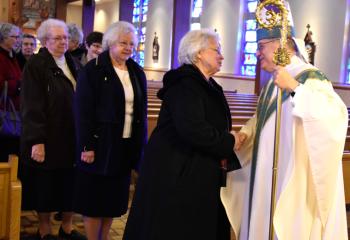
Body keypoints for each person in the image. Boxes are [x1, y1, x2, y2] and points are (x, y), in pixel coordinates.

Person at [221, 4, 349, 240]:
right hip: (265, 174)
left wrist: (295, 89)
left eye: (261, 46)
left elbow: (335, 118)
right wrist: (247, 133)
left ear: (280, 45)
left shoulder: (309, 78)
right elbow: (262, 117)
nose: (257, 53)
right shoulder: (273, 82)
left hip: (292, 178)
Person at [123, 29, 241, 240]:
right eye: (217, 50)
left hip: (195, 168)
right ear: (198, 54)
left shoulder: (206, 83)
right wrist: (229, 140)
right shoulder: (185, 84)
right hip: (177, 172)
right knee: (175, 228)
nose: (222, 56)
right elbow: (193, 129)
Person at [74, 21, 147, 240]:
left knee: (113, 200)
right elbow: (83, 111)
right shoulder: (93, 69)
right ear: (110, 43)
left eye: (132, 44)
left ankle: (103, 238)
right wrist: (87, 145)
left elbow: (140, 112)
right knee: (95, 200)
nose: (128, 48)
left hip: (124, 145)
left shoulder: (136, 71)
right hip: (99, 144)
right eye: (123, 43)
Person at [20, 19, 86, 240]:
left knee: (70, 183)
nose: (63, 42)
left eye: (66, 38)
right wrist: (37, 140)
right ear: (45, 40)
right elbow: (32, 104)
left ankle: (66, 227)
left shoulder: (73, 63)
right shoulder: (37, 65)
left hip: (72, 137)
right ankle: (44, 229)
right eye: (57, 38)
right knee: (46, 185)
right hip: (48, 136)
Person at [0, 22, 21, 162]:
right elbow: (2, 85)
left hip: (13, 110)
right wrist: (19, 85)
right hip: (4, 112)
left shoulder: (12, 55)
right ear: (4, 38)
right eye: (14, 37)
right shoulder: (2, 57)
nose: (17, 40)